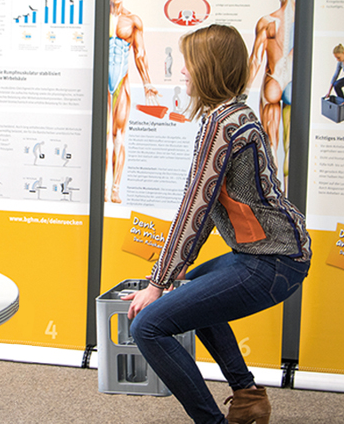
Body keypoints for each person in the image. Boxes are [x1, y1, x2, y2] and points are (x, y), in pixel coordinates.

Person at [123, 24, 311, 424]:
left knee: (148, 326)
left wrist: (157, 283)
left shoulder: (222, 124)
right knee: (188, 291)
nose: (182, 71)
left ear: (208, 69)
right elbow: (207, 208)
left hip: (273, 262)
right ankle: (247, 397)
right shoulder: (230, 114)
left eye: (188, 63)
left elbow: (194, 205)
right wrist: (172, 276)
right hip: (268, 256)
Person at [107, 0, 159, 203]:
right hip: (102, 84)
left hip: (121, 81)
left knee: (118, 137)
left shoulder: (132, 20)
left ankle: (115, 189)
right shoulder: (99, 17)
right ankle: (102, 188)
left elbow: (140, 53)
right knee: (103, 137)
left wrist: (147, 82)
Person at [248, 0, 295, 183]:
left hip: (272, 81)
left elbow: (256, 59)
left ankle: (272, 195)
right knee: (291, 146)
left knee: (270, 147)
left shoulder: (268, 21)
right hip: (293, 83)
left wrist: (243, 92)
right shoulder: (304, 24)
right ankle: (289, 195)